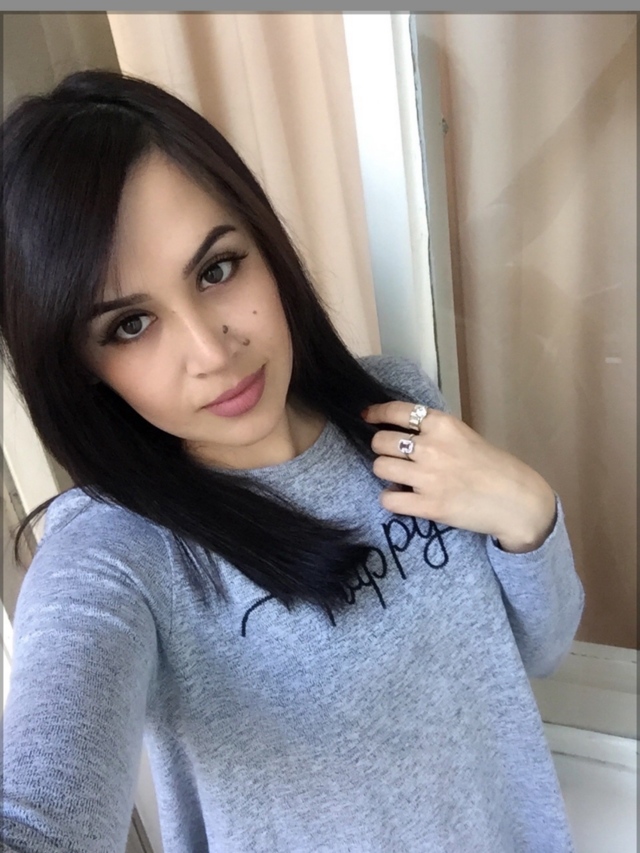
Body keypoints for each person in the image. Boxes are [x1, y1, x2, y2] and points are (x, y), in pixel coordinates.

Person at [1, 70, 585, 853]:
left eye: (217, 269)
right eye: (131, 324)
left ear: (265, 246)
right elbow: (39, 812)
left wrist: (528, 510)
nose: (212, 351)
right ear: (80, 367)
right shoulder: (118, 553)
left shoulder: (398, 407)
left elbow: (544, 648)